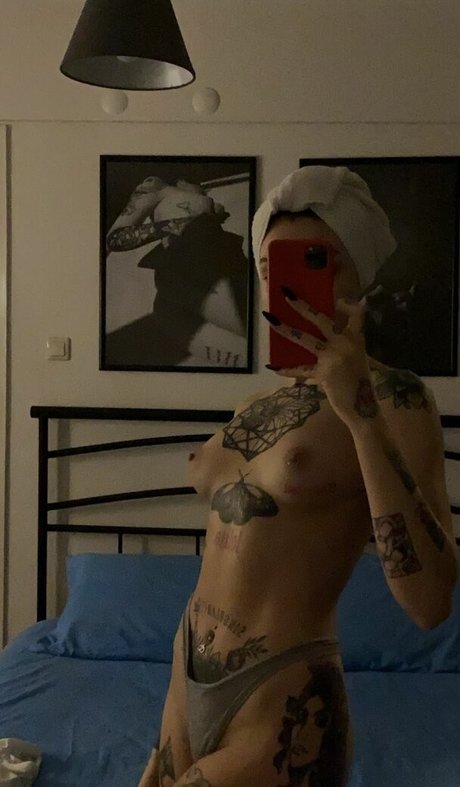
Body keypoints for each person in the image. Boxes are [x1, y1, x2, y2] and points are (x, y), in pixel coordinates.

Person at [137, 165, 458, 787]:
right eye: (268, 268)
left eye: (316, 262)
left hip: (284, 703)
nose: (285, 287)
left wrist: (360, 416)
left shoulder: (397, 399)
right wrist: (165, 733)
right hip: (185, 681)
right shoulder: (253, 406)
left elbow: (430, 603)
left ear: (358, 277)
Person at [105, 176, 249, 369]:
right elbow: (115, 238)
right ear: (181, 181)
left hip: (175, 292)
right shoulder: (155, 185)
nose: (205, 191)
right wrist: (177, 224)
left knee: (250, 348)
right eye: (201, 188)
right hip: (186, 263)